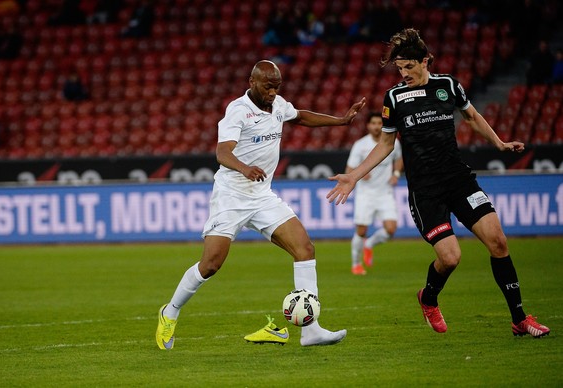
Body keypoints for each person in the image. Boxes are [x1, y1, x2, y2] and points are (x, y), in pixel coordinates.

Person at [327, 28, 550, 338]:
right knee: (451, 258)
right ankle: (428, 298)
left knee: (498, 241)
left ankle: (519, 319)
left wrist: (499, 143)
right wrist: (353, 175)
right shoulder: (394, 97)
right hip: (426, 191)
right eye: (399, 68)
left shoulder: (448, 86)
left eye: (408, 66)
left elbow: (471, 116)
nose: (403, 73)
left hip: (459, 180)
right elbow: (385, 145)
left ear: (425, 61)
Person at [156, 60, 366, 349]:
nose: (273, 92)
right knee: (211, 264)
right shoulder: (237, 110)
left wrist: (341, 120)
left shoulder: (278, 104)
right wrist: (244, 168)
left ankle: (311, 330)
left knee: (304, 249)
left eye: (277, 87)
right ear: (252, 82)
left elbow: (300, 116)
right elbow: (222, 152)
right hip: (231, 195)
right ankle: (171, 312)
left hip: (262, 195)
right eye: (268, 87)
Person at [346, 112, 403, 275]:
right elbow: (349, 170)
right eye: (374, 123)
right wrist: (361, 173)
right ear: (368, 126)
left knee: (391, 229)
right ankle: (356, 264)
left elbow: (399, 159)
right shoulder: (360, 145)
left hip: (385, 193)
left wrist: (396, 174)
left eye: (380, 123)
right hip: (366, 194)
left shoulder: (393, 142)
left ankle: (369, 244)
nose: (377, 126)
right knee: (361, 230)